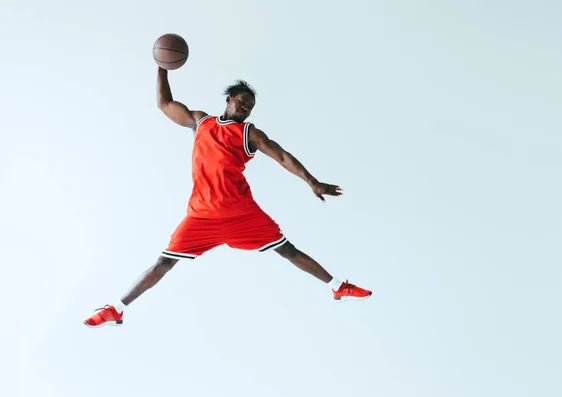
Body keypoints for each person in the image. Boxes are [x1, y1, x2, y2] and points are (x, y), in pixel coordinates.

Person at [84, 68, 372, 328]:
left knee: (288, 250)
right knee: (163, 263)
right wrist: (162, 67)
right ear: (229, 98)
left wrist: (312, 181)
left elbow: (281, 155)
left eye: (250, 106)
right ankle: (117, 309)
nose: (246, 108)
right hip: (201, 216)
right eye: (242, 101)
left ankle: (338, 287)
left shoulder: (249, 133)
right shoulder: (201, 122)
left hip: (241, 213)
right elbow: (165, 105)